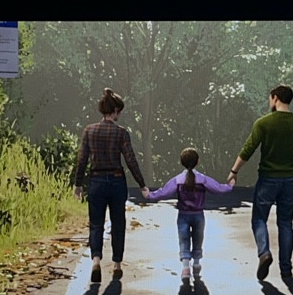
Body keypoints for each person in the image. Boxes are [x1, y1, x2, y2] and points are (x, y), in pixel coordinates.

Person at [227, 85, 293, 281]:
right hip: (290, 180)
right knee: (285, 223)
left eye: (270, 98)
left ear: (275, 98)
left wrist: (234, 171)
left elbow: (248, 149)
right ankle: (286, 269)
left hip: (267, 179)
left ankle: (264, 253)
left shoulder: (264, 123)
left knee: (259, 219)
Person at [74, 87, 149, 283]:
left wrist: (78, 184)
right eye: (119, 111)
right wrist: (142, 184)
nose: (119, 115)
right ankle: (116, 264)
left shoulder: (89, 131)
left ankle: (96, 261)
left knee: (96, 223)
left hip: (96, 180)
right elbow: (130, 160)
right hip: (116, 181)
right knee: (118, 223)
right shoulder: (121, 133)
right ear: (115, 110)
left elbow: (82, 159)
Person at [146, 147, 234, 282]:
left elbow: (164, 192)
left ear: (182, 162)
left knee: (184, 240)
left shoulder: (178, 180)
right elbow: (218, 189)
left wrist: (149, 195)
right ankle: (197, 263)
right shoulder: (202, 179)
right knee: (198, 239)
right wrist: (230, 186)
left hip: (183, 215)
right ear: (198, 161)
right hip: (198, 215)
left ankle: (186, 266)